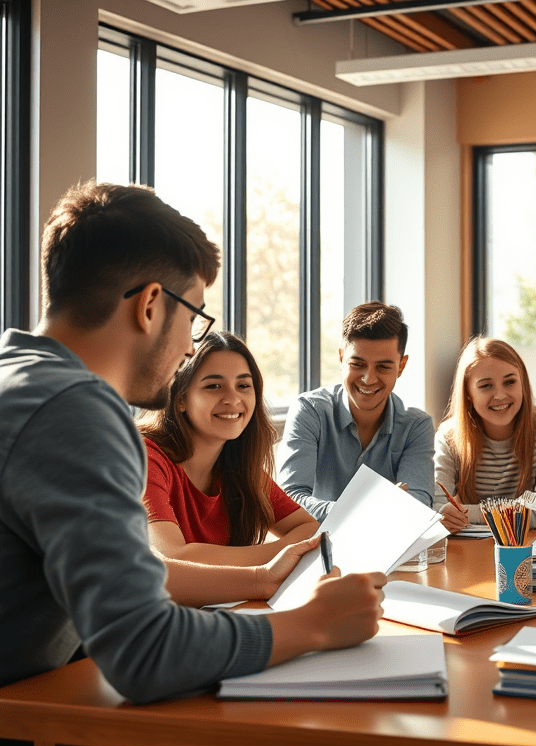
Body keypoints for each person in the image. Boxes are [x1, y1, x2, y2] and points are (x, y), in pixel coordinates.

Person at [0, 182, 384, 711]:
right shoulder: (75, 409)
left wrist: (259, 575)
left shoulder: (19, 377)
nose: (188, 348)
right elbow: (146, 652)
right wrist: (313, 624)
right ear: (152, 304)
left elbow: (121, 572)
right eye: (195, 318)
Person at [139, 331, 321, 607]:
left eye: (244, 386)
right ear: (180, 399)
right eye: (214, 386)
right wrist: (273, 560)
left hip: (212, 614)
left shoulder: (238, 465)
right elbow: (176, 557)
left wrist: (274, 560)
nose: (233, 399)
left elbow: (309, 529)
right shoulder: (146, 457)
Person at [278, 301, 435, 521]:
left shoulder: (416, 426)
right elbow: (290, 499)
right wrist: (367, 508)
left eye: (383, 367)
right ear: (342, 358)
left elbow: (418, 502)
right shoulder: (309, 411)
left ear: (401, 366)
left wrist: (350, 511)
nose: (368, 379)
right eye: (357, 364)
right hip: (317, 547)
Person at [433, 337, 536, 532]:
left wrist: (464, 513)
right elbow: (435, 506)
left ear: (522, 383)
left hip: (527, 550)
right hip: (469, 550)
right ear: (468, 393)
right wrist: (444, 513)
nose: (500, 395)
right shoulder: (449, 436)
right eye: (486, 386)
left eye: (510, 382)